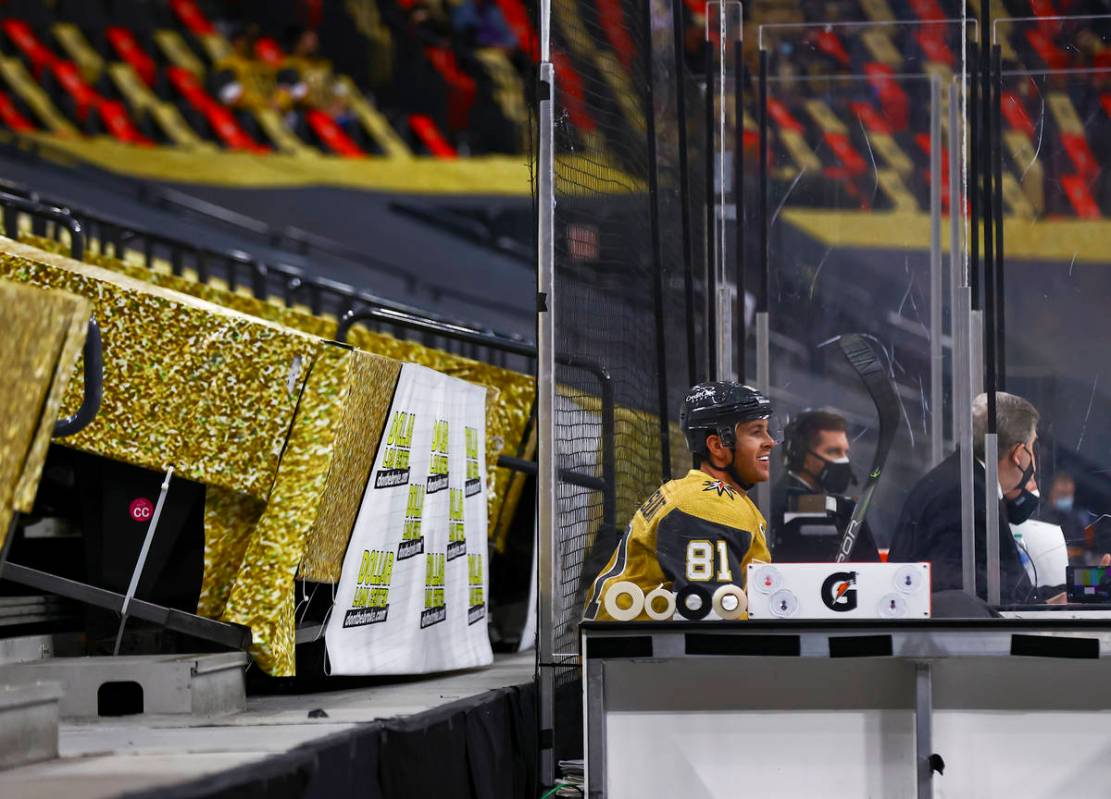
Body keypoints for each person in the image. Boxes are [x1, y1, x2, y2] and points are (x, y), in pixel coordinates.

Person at [583, 382, 775, 621]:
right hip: (637, 652)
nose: (770, 442)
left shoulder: (699, 493)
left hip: (630, 647)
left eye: (767, 431)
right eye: (756, 432)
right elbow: (712, 621)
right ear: (717, 445)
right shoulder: (708, 506)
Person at [889, 392, 1045, 604]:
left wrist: (1061, 595)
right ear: (1018, 453)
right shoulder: (967, 495)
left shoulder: (963, 480)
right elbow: (958, 587)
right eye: (1032, 447)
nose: (1033, 458)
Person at [770, 409, 880, 562]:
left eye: (845, 452)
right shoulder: (784, 503)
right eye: (833, 451)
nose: (843, 460)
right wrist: (847, 509)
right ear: (801, 455)